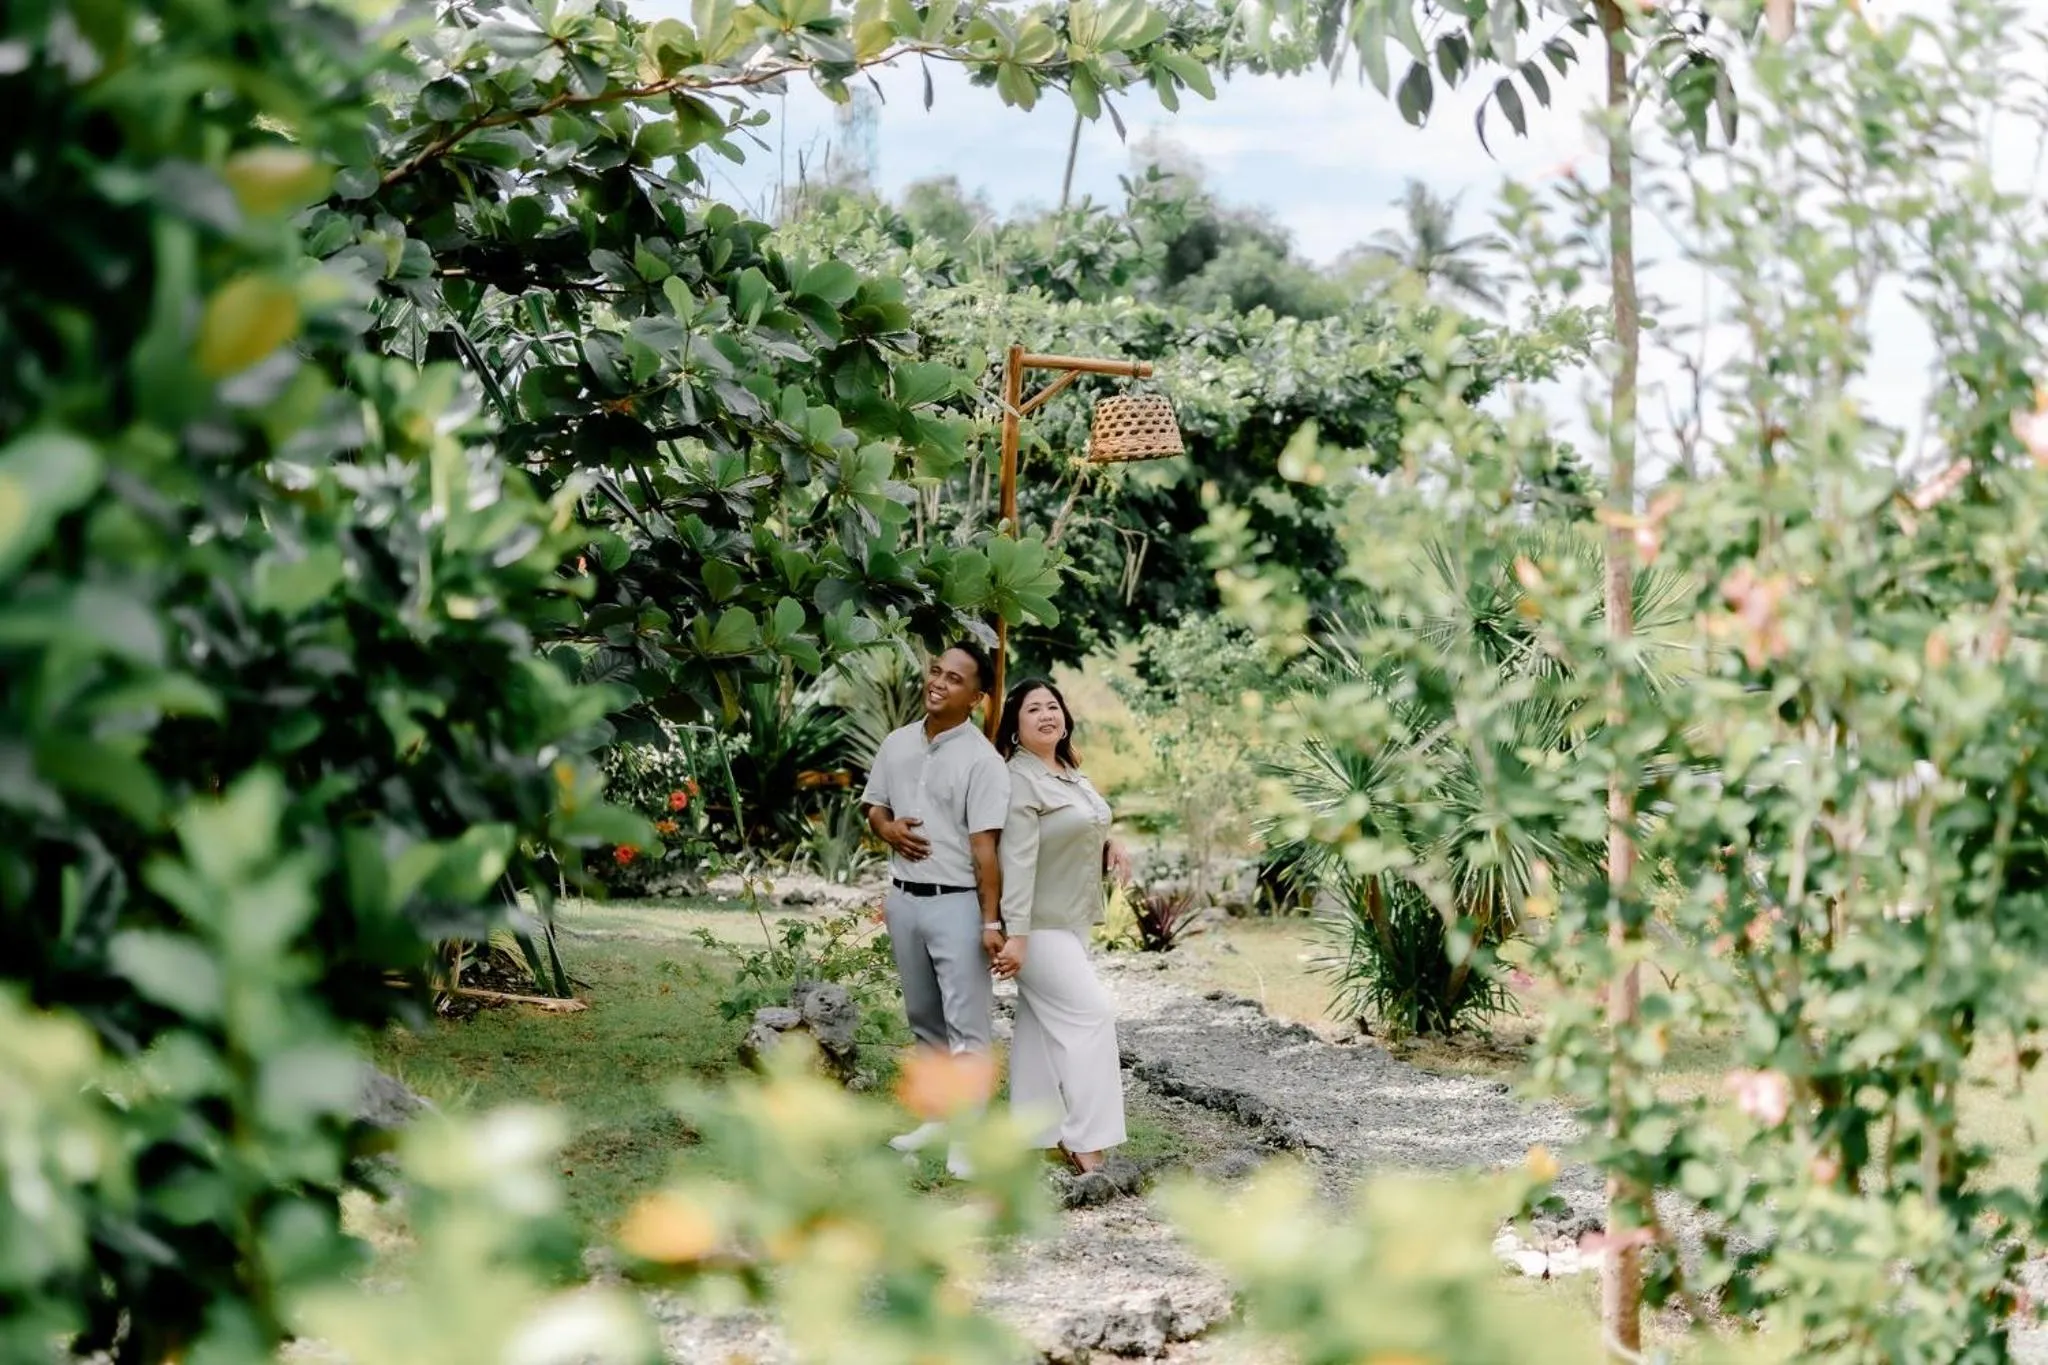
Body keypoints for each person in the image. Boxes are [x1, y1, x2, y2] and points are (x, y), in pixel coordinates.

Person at [861, 640, 1011, 1176]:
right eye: (936, 671)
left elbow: (986, 849)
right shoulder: (897, 743)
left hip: (957, 905)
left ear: (976, 697)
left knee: (967, 1029)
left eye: (954, 679)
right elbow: (874, 808)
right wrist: (887, 829)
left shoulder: (983, 761)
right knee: (925, 1020)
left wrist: (991, 920)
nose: (938, 683)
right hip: (904, 900)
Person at [991, 678, 1129, 1174]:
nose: (1047, 715)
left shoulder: (1068, 771)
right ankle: (1085, 1139)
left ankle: (1035, 1131)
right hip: (1037, 924)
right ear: (1015, 725)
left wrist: (1109, 844)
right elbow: (1018, 860)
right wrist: (1017, 935)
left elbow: (1080, 824)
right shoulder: (1018, 778)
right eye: (1033, 709)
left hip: (1071, 919)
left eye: (1053, 706)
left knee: (1038, 1027)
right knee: (1092, 1017)